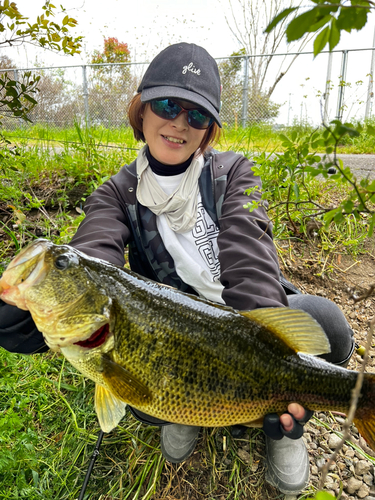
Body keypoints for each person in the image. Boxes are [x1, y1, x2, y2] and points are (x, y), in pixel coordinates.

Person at [0, 42, 354, 495]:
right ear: (141, 110)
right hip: (174, 331)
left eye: (197, 115)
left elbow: (251, 256)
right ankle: (189, 413)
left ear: (209, 131)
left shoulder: (234, 173)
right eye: (168, 104)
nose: (179, 123)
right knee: (144, 392)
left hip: (241, 319)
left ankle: (281, 426)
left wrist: (267, 347)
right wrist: (31, 311)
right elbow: (95, 255)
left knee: (330, 327)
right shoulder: (117, 194)